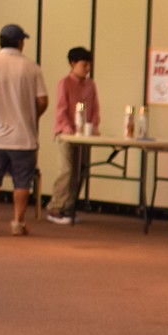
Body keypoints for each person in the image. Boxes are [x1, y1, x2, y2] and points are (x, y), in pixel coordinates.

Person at [0, 24, 48, 237]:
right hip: (23, 137)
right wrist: (32, 116)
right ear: (20, 42)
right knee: (22, 181)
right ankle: (17, 222)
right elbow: (42, 100)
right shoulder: (32, 67)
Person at [47, 45, 101, 225]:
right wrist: (67, 127)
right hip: (65, 134)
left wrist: (92, 127)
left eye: (88, 65)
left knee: (81, 170)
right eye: (84, 65)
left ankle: (69, 208)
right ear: (73, 63)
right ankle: (55, 207)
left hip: (84, 134)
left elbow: (95, 109)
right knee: (67, 170)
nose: (87, 68)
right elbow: (61, 109)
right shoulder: (64, 83)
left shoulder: (91, 85)